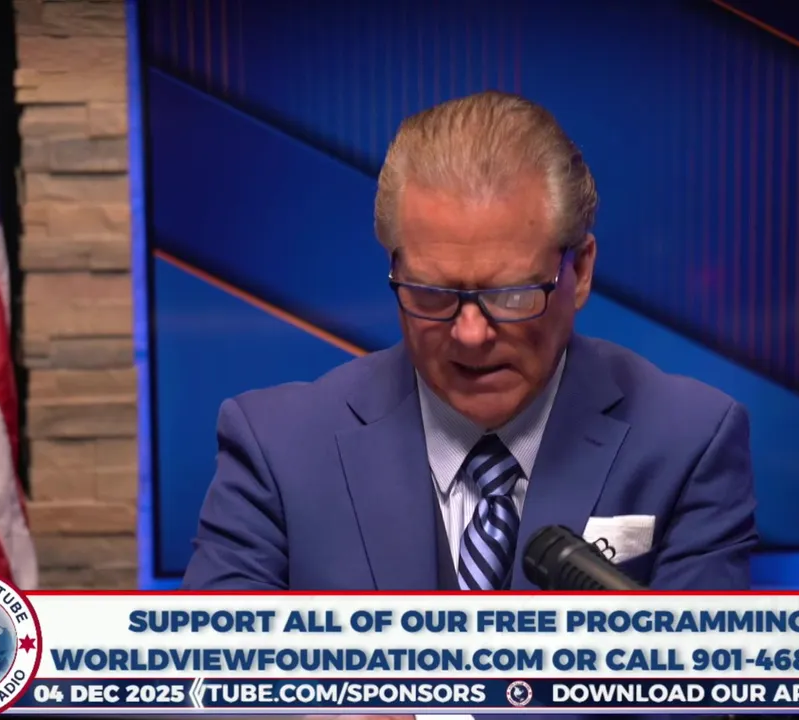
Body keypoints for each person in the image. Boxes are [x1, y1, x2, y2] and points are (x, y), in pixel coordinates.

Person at [182, 91, 758, 595]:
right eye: (431, 293)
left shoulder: (688, 442)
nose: (471, 334)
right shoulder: (275, 449)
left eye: (512, 294)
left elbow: (701, 677)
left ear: (580, 272)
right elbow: (208, 673)